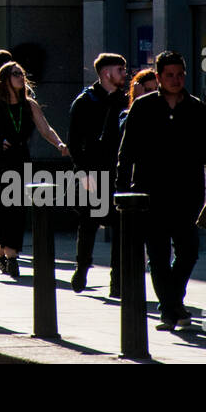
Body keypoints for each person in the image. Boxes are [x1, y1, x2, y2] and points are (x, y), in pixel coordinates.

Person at [115, 51, 206, 330]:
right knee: (157, 255)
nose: (176, 80)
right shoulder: (143, 107)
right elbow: (127, 150)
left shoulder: (196, 108)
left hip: (186, 192)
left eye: (180, 74)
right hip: (150, 193)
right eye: (169, 75)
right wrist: (123, 190)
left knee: (189, 251)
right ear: (158, 77)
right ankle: (171, 309)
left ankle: (171, 301)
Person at [0, 61, 70, 277]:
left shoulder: (30, 105)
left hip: (20, 159)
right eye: (16, 74)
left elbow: (45, 129)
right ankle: (12, 257)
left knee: (17, 209)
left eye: (22, 74)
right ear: (5, 78)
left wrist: (59, 144)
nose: (20, 77)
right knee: (4, 208)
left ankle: (2, 252)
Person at [67, 53, 128, 295]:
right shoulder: (85, 101)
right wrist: (82, 173)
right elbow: (74, 142)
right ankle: (82, 268)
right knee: (89, 224)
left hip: (118, 173)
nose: (124, 73)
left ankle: (117, 281)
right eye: (120, 69)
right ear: (106, 73)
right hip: (93, 172)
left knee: (121, 227)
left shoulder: (124, 101)